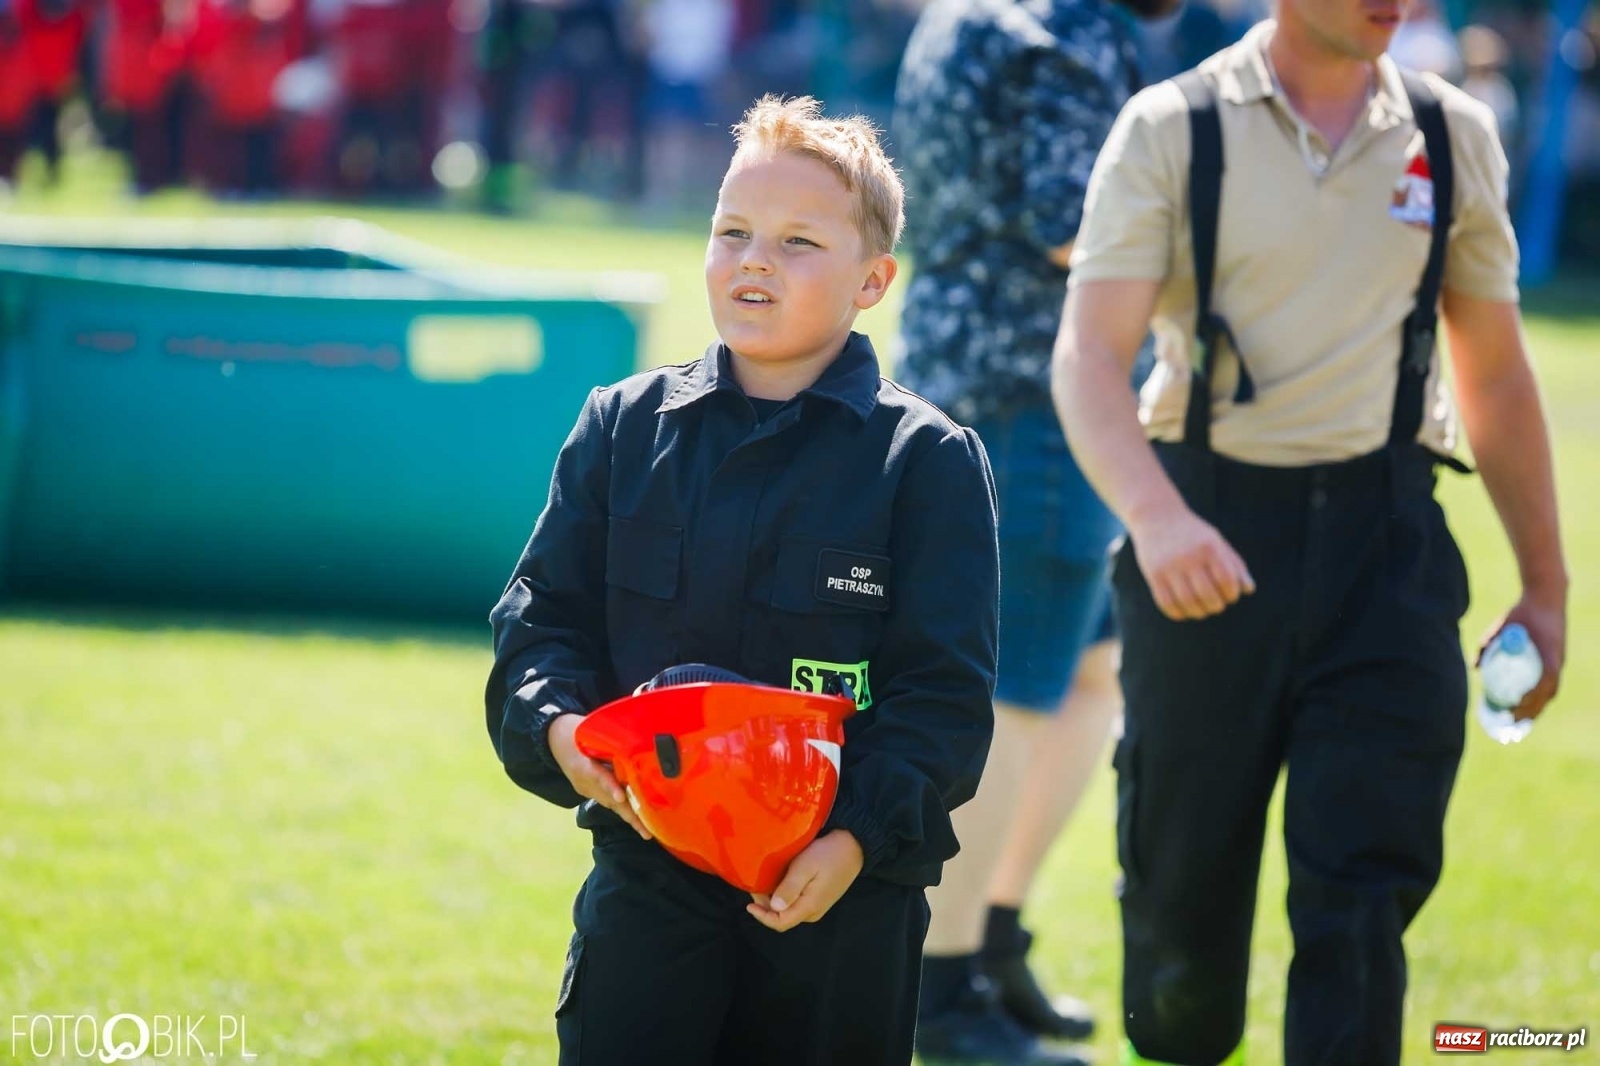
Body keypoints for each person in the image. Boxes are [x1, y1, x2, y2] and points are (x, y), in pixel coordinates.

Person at [1052, 2, 1567, 1063]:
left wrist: (1545, 585)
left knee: (1360, 904)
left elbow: (1496, 374)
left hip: (1387, 550)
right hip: (1204, 541)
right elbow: (1088, 357)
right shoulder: (1170, 125)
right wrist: (1156, 520)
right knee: (1180, 925)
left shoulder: (1450, 131)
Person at [485, 95, 1002, 1066]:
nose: (754, 259)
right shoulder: (619, 427)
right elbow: (537, 626)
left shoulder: (927, 461)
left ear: (873, 280)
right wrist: (562, 729)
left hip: (840, 900)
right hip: (647, 879)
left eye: (799, 240)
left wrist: (850, 841)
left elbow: (942, 702)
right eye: (732, 231)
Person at [891, 1, 1171, 1062]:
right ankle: (942, 987)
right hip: (1038, 401)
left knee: (1091, 673)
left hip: (981, 380)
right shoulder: (1061, 30)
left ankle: (992, 936)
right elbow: (1077, 223)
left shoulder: (971, 15)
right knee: (1008, 694)